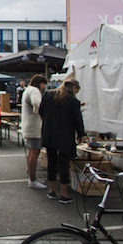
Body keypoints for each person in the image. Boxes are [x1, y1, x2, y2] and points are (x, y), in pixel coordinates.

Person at [39, 76, 85, 204]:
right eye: (77, 90)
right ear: (74, 88)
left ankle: (52, 190)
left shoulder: (48, 95)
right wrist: (81, 134)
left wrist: (48, 122)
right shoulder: (73, 101)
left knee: (52, 162)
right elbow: (78, 120)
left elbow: (41, 111)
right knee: (64, 163)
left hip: (49, 133)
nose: (76, 93)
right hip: (65, 135)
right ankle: (64, 193)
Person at [20, 74, 48, 190]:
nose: (44, 87)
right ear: (40, 84)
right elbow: (37, 104)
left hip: (28, 126)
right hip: (34, 128)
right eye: (43, 84)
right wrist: (41, 113)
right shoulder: (35, 91)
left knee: (32, 152)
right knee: (34, 153)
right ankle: (32, 180)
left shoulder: (28, 90)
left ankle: (32, 177)